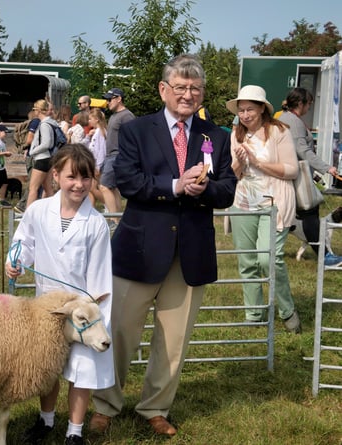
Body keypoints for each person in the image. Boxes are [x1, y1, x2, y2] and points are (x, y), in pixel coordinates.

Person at [90, 54, 237, 437]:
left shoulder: (215, 136)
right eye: (181, 87)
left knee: (173, 340)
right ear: (163, 89)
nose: (188, 94)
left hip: (190, 253)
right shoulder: (136, 129)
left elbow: (227, 191)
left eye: (195, 88)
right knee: (119, 331)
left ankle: (155, 407)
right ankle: (105, 403)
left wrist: (204, 189)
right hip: (139, 250)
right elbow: (128, 181)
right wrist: (175, 186)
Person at [6, 144, 113, 445]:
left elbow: (100, 274)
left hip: (82, 309)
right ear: (55, 176)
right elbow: (23, 242)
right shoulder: (38, 211)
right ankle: (46, 419)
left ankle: (74, 431)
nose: (79, 185)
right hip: (50, 308)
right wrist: (15, 262)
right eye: (71, 177)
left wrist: (91, 310)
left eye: (85, 178)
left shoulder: (96, 224)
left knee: (81, 367)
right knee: (49, 365)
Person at [226, 85, 301, 333]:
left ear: (262, 109)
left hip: (274, 201)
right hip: (243, 201)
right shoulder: (236, 134)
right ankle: (254, 313)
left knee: (268, 258)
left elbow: (292, 169)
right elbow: (232, 174)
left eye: (250, 109)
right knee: (247, 260)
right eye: (241, 110)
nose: (245, 115)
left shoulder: (279, 131)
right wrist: (238, 162)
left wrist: (258, 162)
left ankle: (287, 309)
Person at [278, 87, 342, 265]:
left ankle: (324, 254)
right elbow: (302, 151)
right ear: (300, 103)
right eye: (309, 103)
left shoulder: (286, 118)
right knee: (310, 215)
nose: (309, 107)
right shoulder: (294, 122)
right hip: (296, 177)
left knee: (307, 216)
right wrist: (326, 167)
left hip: (296, 174)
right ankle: (325, 256)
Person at [101, 88, 135, 228]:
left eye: (110, 99)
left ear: (119, 99)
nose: (107, 102)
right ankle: (118, 220)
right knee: (112, 188)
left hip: (117, 156)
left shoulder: (126, 116)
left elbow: (133, 138)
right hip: (110, 156)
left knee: (104, 187)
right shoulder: (115, 115)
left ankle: (113, 221)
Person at [26, 99, 58, 208]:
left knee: (33, 188)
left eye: (35, 109)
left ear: (39, 110)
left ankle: (28, 214)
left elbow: (46, 143)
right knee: (48, 187)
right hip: (48, 158)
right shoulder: (51, 123)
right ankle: (54, 210)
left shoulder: (44, 125)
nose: (34, 112)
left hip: (42, 158)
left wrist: (33, 151)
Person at [14, 108, 41, 213]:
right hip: (33, 157)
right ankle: (22, 205)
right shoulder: (36, 122)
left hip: (31, 155)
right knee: (33, 183)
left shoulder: (34, 122)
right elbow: (29, 140)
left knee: (37, 183)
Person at [87, 108, 107, 209]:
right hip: (94, 164)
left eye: (90, 119)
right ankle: (91, 208)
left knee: (93, 187)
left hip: (97, 165)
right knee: (91, 188)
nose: (89, 121)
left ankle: (107, 204)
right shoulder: (96, 132)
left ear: (97, 119)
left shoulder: (100, 133)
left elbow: (101, 151)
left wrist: (98, 167)